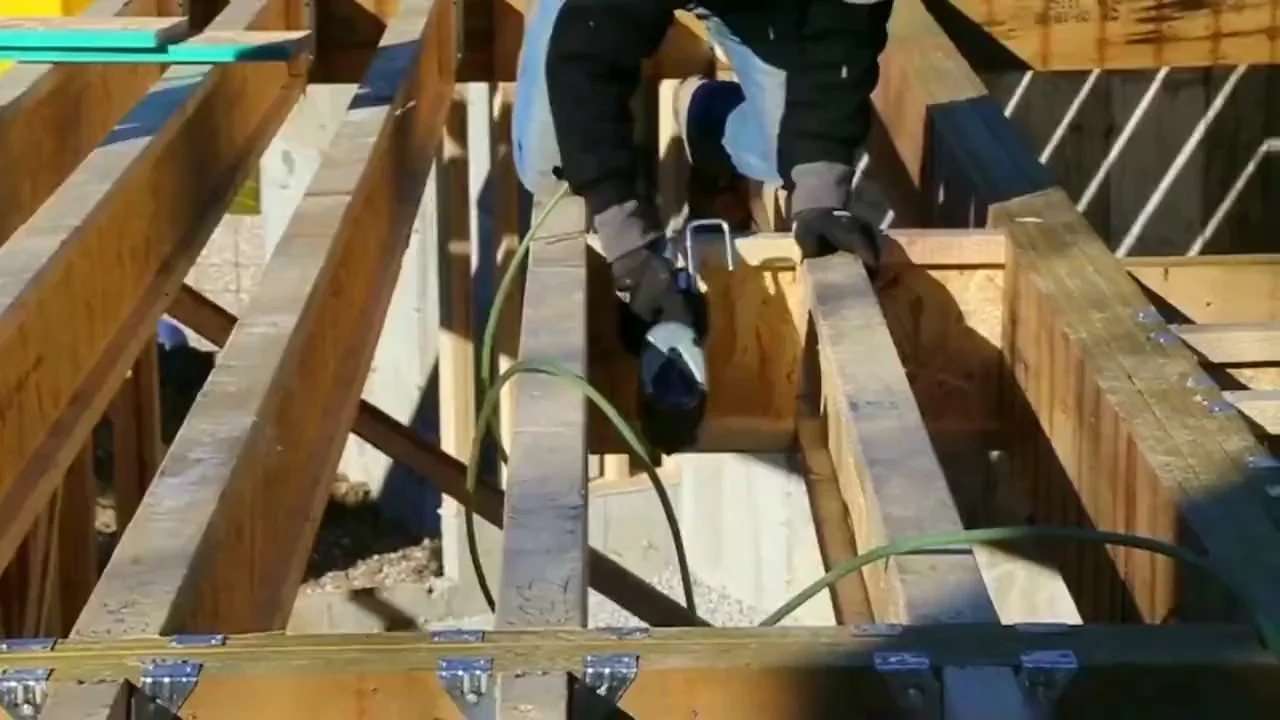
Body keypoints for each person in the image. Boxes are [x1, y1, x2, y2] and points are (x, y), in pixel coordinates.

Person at [512, 0, 892, 330]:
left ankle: (698, 113)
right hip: (593, 16)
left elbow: (844, 40)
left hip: (763, 7)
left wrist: (820, 192)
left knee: (791, 158)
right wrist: (628, 246)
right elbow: (585, 58)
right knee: (553, 166)